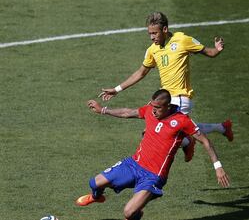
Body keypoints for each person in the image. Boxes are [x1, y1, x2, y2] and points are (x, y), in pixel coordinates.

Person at [98, 12, 233, 161]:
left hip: (181, 98)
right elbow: (141, 72)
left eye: (154, 33)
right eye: (149, 33)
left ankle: (188, 142)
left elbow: (209, 52)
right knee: (178, 129)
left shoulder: (182, 40)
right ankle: (219, 129)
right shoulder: (152, 50)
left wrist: (218, 49)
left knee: (159, 132)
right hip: (164, 100)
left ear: (164, 29)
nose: (152, 37)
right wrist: (117, 89)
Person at [76, 89, 230, 220]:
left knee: (129, 212)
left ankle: (136, 214)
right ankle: (97, 197)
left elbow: (206, 141)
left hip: (153, 176)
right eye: (152, 106)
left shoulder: (182, 121)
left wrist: (218, 167)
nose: (153, 110)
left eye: (157, 107)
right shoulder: (150, 110)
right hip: (133, 164)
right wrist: (103, 109)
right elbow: (128, 113)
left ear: (168, 106)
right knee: (94, 183)